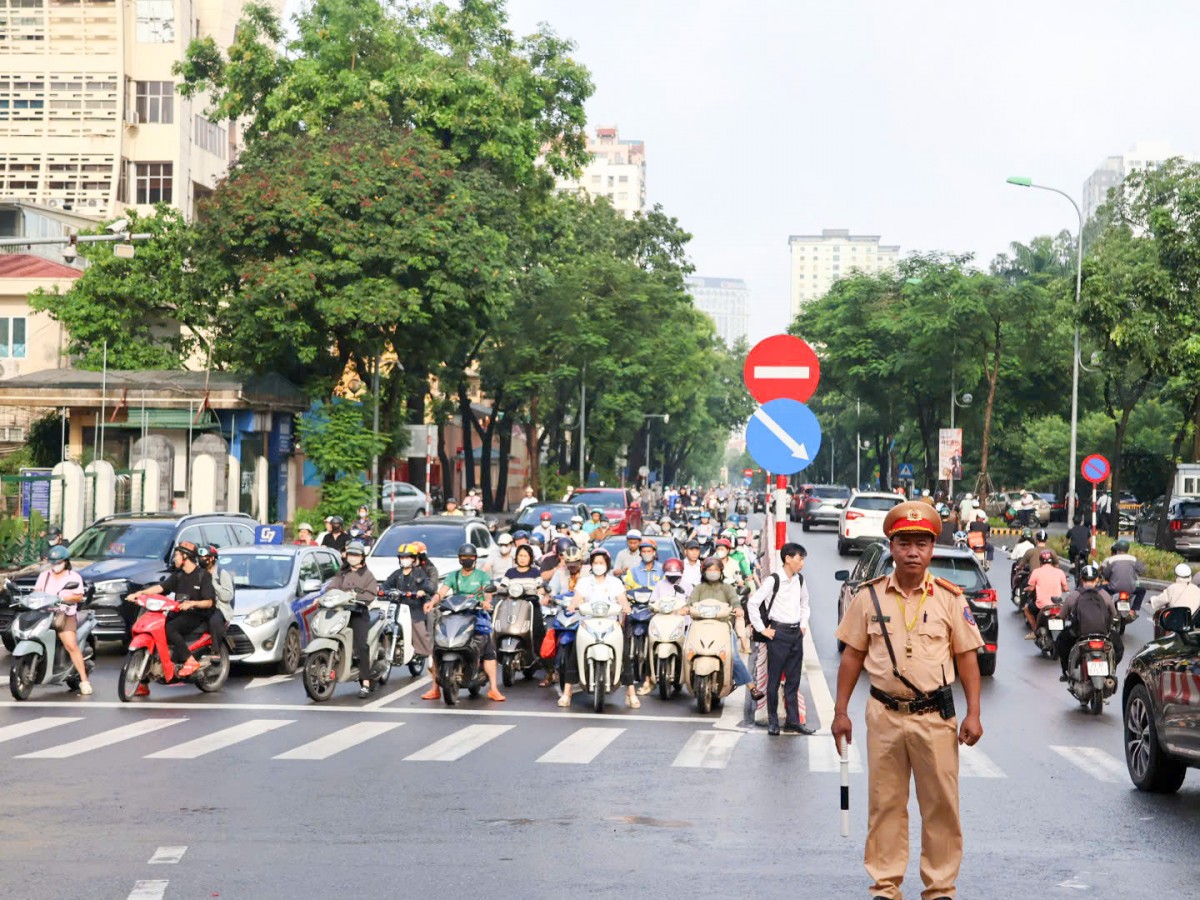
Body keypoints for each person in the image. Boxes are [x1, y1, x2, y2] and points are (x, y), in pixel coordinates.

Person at [832, 500, 984, 900]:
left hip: (935, 718)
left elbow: (968, 657)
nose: (913, 552)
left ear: (932, 548)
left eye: (921, 543)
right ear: (892, 546)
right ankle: (885, 885)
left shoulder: (951, 599)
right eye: (904, 543)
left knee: (941, 807)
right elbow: (852, 655)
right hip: (883, 714)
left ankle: (940, 888)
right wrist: (840, 712)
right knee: (885, 805)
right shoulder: (870, 598)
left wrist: (974, 713)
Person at [421, 543, 504, 702]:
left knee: (487, 648)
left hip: (476, 613)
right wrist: (432, 602)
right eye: (464, 557)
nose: (467, 560)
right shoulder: (454, 576)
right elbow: (442, 592)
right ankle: (434, 688)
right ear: (459, 559)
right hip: (455, 613)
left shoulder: (481, 575)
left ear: (475, 559)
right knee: (438, 646)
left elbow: (488, 592)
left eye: (470, 557)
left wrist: (486, 602)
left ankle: (493, 688)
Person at [745, 542, 813, 735]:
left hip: (795, 634)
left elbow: (805, 603)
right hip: (778, 633)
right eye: (800, 559)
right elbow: (753, 603)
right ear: (788, 559)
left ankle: (793, 721)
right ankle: (773, 721)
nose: (802, 564)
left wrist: (803, 624)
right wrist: (762, 629)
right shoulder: (773, 580)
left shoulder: (800, 580)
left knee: (793, 680)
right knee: (773, 680)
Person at [129, 541, 217, 688]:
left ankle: (190, 661)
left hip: (196, 615)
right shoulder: (179, 575)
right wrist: (140, 593)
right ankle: (143, 683)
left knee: (170, 629)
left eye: (176, 555)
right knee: (155, 628)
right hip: (178, 612)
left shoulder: (203, 576)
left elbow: (209, 602)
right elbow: (161, 587)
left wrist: (192, 603)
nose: (174, 559)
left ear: (185, 556)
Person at [565, 549, 634, 707]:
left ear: (607, 565)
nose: (598, 566)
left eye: (601, 563)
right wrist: (572, 606)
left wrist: (626, 607)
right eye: (595, 563)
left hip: (610, 624)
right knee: (575, 652)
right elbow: (577, 598)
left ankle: (631, 693)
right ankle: (567, 692)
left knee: (623, 653)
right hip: (588, 624)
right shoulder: (584, 582)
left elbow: (622, 599)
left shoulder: (615, 582)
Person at [687, 556, 754, 692]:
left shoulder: (727, 588)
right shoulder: (699, 588)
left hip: (723, 628)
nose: (713, 572)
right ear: (704, 571)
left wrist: (738, 608)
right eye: (709, 569)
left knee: (733, 656)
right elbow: (691, 602)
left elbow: (734, 601)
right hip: (701, 628)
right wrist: (686, 608)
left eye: (716, 569)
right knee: (687, 651)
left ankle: (751, 686)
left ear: (721, 571)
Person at [35, 545, 91, 695]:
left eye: (58, 562)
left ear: (65, 561)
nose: (56, 565)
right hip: (45, 614)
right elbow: (37, 592)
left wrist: (63, 597)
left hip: (65, 614)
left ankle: (84, 681)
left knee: (70, 644)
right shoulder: (44, 576)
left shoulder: (73, 577)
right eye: (53, 562)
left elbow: (78, 596)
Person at [326, 540, 379, 698]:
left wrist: (356, 596)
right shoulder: (342, 573)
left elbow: (370, 595)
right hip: (340, 612)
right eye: (350, 555)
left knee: (361, 646)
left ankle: (365, 683)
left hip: (358, 613)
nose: (352, 558)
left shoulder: (368, 575)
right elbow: (331, 587)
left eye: (356, 555)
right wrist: (323, 597)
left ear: (362, 557)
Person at [1056, 565, 1118, 681]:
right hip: (1103, 634)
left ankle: (1066, 672)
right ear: (1096, 580)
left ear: (1081, 580)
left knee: (1061, 642)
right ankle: (1111, 672)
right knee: (1119, 647)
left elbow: (1061, 616)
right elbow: (1114, 615)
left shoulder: (1073, 596)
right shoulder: (1105, 595)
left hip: (1080, 634)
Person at [382, 543, 436, 659]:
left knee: (419, 631)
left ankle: (426, 653)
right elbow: (386, 585)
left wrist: (422, 590)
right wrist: (380, 590)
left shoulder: (419, 573)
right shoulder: (397, 573)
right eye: (402, 557)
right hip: (398, 608)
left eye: (407, 557)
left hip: (414, 608)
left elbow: (429, 588)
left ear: (413, 559)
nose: (404, 560)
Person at [197, 544, 234, 656]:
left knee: (215, 621)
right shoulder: (199, 574)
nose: (201, 559)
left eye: (204, 557)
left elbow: (228, 596)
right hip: (203, 606)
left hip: (219, 607)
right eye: (199, 557)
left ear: (212, 558)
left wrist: (214, 584)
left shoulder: (221, 573)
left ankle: (216, 651)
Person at [1023, 550, 1069, 636]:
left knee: (1026, 609)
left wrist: (1026, 589)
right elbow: (1066, 589)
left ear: (1040, 561)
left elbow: (1031, 587)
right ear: (1052, 561)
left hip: (1042, 605)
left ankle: (1035, 631)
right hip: (1057, 604)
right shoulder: (1060, 572)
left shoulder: (1036, 572)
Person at [1101, 539, 1147, 612]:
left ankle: (1102, 610)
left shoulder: (1111, 560)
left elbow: (1106, 574)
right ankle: (1133, 610)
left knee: (1099, 589)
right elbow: (1142, 570)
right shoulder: (1133, 559)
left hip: (1113, 589)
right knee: (1142, 591)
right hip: (1130, 589)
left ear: (1117, 549)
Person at [1065, 514, 1092, 581]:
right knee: (1086, 558)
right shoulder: (1087, 530)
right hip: (1084, 550)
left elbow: (1066, 542)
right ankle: (1086, 567)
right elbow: (1090, 541)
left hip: (1074, 550)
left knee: (1071, 552)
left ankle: (1073, 564)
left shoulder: (1071, 531)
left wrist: (1063, 546)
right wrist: (1090, 549)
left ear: (1073, 522)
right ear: (1081, 522)